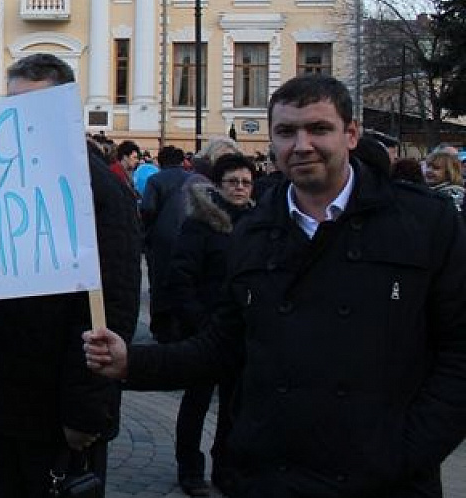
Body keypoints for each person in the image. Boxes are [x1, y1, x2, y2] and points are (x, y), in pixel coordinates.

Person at [85, 74, 466, 498]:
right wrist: (130, 362)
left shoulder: (424, 223)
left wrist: (409, 452)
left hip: (386, 480)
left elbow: (458, 353)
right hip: (272, 475)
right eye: (286, 132)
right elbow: (222, 346)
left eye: (318, 128)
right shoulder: (252, 231)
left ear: (351, 134)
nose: (302, 145)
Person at [0, 53, 141, 497]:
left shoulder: (100, 191)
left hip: (53, 411)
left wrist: (86, 410)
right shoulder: (2, 181)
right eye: (12, 105)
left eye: (33, 106)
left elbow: (112, 306)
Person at [166, 153, 257, 496]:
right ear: (218, 185)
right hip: (204, 330)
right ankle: (189, 468)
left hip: (241, 330)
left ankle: (225, 467)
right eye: (233, 181)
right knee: (197, 402)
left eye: (246, 182)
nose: (240, 188)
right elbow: (181, 277)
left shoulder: (256, 224)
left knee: (233, 405)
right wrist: (199, 322)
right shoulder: (200, 224)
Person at [140, 145, 190, 343]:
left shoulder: (155, 180)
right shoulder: (192, 179)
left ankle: (161, 328)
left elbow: (147, 208)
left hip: (161, 240)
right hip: (188, 237)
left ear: (160, 162)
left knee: (159, 284)